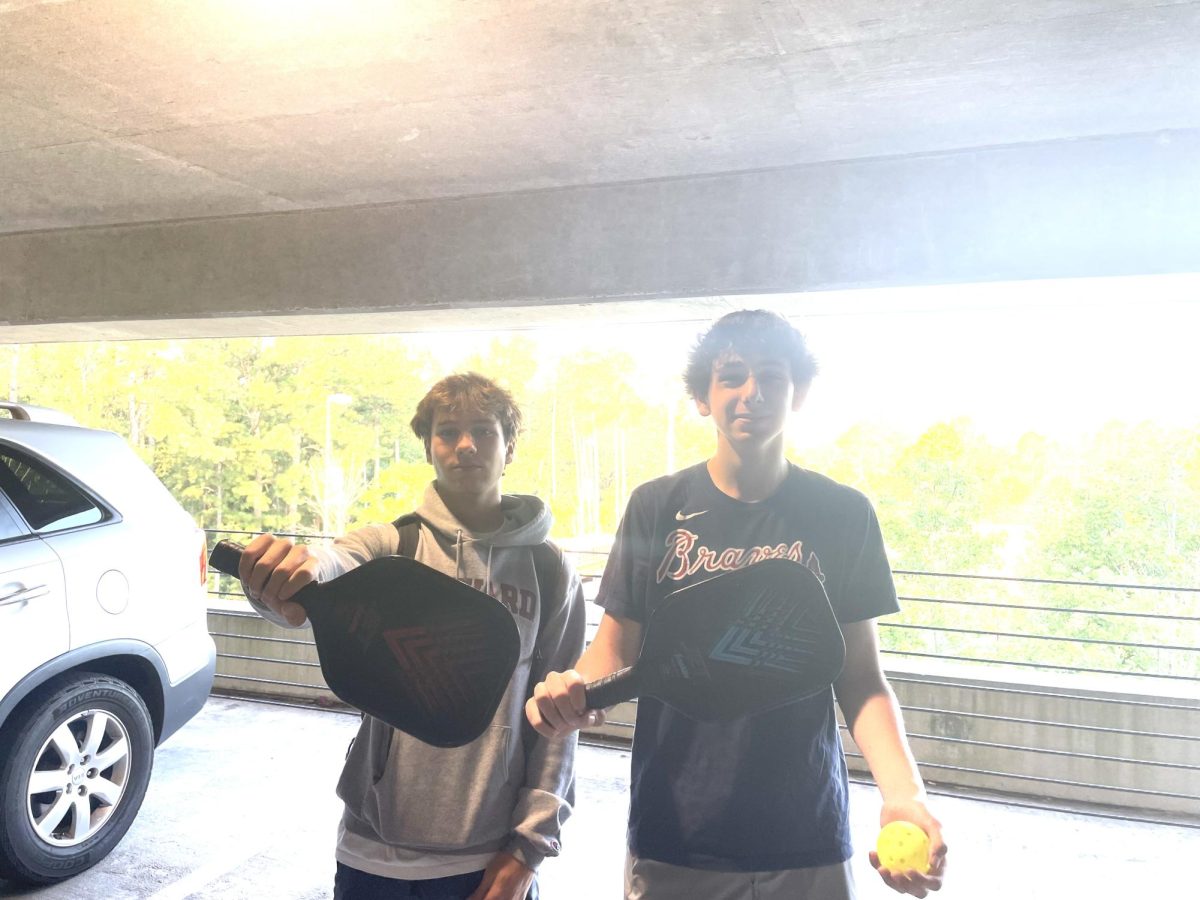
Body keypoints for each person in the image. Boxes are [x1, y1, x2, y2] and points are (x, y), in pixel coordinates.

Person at [526, 310, 947, 899]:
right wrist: (573, 693)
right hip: (678, 833)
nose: (753, 392)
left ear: (797, 392)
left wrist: (905, 796)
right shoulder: (656, 505)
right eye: (732, 376)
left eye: (772, 376)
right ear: (703, 396)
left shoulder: (844, 513)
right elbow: (617, 649)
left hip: (805, 831)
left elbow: (860, 679)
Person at [238, 372, 586, 900]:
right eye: (447, 431)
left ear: (509, 446)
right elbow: (329, 565)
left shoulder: (550, 570)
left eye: (484, 431)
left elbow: (560, 723)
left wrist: (528, 850)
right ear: (429, 447)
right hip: (374, 852)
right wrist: (281, 580)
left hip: (490, 857)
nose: (465, 445)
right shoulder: (391, 548)